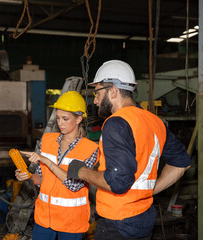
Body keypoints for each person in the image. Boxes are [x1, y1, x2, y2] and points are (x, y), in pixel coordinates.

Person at [67, 60, 191, 240]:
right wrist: (151, 190)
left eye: (97, 93)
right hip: (144, 218)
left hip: (117, 221)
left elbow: (117, 183)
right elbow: (182, 163)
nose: (95, 100)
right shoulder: (154, 121)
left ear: (113, 91)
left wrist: (81, 171)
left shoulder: (116, 123)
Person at [15, 91, 98, 240]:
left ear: (79, 118)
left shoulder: (90, 149)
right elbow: (41, 177)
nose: (60, 123)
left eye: (65, 119)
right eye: (58, 118)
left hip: (71, 222)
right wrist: (28, 177)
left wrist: (47, 161)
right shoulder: (47, 140)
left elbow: (74, 185)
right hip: (44, 219)